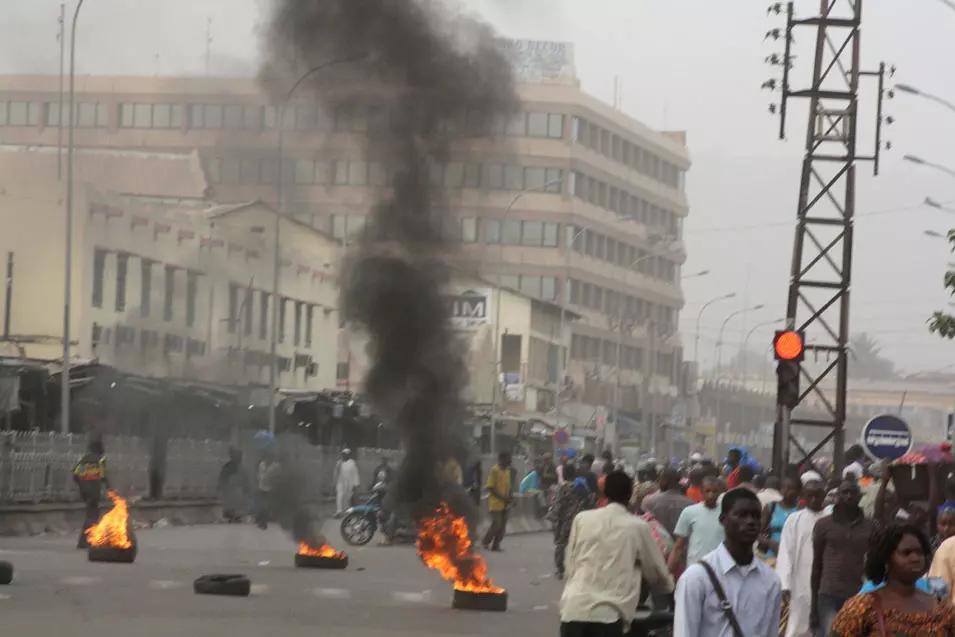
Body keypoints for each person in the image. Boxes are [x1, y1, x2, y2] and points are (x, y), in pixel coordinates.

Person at [559, 470, 674, 637]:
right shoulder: (638, 527)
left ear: (603, 492)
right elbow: (656, 570)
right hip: (610, 616)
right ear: (630, 495)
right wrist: (670, 589)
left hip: (574, 610)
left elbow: (570, 565)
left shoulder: (582, 519)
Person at [673, 487, 782, 637]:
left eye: (756, 516)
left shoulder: (771, 580)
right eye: (742, 515)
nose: (750, 521)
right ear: (723, 520)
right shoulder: (697, 578)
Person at [832, 525, 955, 635]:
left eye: (920, 553)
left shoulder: (940, 607)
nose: (915, 558)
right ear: (886, 560)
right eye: (906, 553)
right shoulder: (863, 607)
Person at [811, 479, 879, 635]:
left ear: (859, 497)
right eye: (844, 492)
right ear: (837, 496)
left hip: (858, 596)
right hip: (828, 594)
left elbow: (877, 562)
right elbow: (816, 566)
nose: (848, 496)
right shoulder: (823, 525)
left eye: (852, 492)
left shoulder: (870, 526)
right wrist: (814, 605)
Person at [775, 479, 828, 637]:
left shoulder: (830, 517)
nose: (814, 500)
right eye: (810, 496)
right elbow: (786, 551)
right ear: (804, 495)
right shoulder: (794, 520)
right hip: (800, 581)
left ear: (823, 495)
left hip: (825, 581)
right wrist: (785, 583)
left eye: (817, 496)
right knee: (798, 623)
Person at [669, 476, 725, 573]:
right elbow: (679, 546)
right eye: (707, 491)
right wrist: (669, 570)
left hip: (720, 568)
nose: (711, 495)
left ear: (720, 492)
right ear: (701, 492)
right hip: (695, 568)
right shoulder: (689, 512)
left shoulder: (726, 512)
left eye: (715, 491)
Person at [553, 464, 592, 579]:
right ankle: (578, 568)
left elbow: (558, 505)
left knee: (561, 544)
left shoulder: (563, 488)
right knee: (578, 544)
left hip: (566, 520)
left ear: (564, 474)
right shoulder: (582, 485)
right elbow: (588, 500)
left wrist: (554, 519)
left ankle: (560, 569)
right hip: (580, 518)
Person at [73, 439, 109, 549]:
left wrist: (82, 485)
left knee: (90, 514)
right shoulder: (100, 460)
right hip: (94, 492)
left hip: (84, 491)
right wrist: (110, 489)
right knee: (93, 516)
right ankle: (85, 542)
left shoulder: (84, 460)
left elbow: (75, 475)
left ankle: (84, 541)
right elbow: (103, 477)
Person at [759, 475, 801, 559]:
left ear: (798, 491)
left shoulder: (800, 510)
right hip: (771, 557)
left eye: (790, 488)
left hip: (791, 558)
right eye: (783, 487)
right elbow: (758, 531)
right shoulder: (771, 507)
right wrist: (768, 542)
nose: (785, 490)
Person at [642, 467, 693, 537]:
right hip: (683, 546)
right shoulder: (690, 503)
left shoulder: (648, 501)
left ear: (663, 481)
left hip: (658, 545)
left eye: (659, 480)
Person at [482, 451, 513, 552]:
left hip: (505, 503)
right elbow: (490, 487)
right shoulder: (495, 470)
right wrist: (502, 498)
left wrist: (510, 499)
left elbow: (508, 487)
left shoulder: (507, 472)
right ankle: (485, 542)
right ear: (501, 460)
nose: (509, 461)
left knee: (503, 526)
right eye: (507, 459)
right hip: (495, 503)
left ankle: (496, 545)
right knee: (496, 524)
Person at [217, 447, 250, 523]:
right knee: (231, 503)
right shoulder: (228, 467)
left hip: (238, 490)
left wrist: (246, 487)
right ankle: (231, 516)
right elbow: (222, 477)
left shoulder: (241, 467)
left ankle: (237, 516)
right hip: (230, 490)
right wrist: (221, 486)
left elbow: (245, 479)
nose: (240, 458)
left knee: (238, 503)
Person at [255, 450, 281, 529]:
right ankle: (262, 522)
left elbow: (278, 477)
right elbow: (259, 474)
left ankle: (264, 521)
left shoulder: (276, 466)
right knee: (262, 506)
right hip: (262, 487)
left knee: (266, 506)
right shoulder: (261, 465)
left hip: (271, 488)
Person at [333, 448, 360, 518]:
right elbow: (336, 473)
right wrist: (334, 482)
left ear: (348, 455)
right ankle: (339, 511)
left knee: (347, 497)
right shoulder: (339, 463)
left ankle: (345, 511)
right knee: (340, 495)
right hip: (340, 482)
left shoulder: (352, 463)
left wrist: (355, 484)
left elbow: (355, 474)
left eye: (345, 454)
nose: (344, 455)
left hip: (349, 483)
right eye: (343, 454)